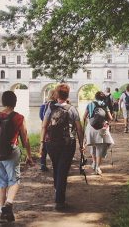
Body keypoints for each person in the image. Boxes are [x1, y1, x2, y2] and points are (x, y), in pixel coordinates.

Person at [0, 91, 34, 223]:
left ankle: (1, 214)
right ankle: (8, 204)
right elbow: (25, 138)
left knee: (1, 184)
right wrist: (29, 155)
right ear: (15, 102)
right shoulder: (18, 117)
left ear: (3, 102)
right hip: (11, 152)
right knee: (14, 181)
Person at [40, 83, 84, 211]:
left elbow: (44, 126)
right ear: (68, 95)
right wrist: (82, 145)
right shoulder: (72, 109)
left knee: (56, 167)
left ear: (57, 95)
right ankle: (59, 201)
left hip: (51, 143)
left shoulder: (50, 108)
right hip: (67, 143)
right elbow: (79, 129)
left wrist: (42, 142)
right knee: (63, 170)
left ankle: (57, 191)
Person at [83, 91, 114, 175]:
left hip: (91, 127)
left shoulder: (90, 104)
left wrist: (90, 121)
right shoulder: (105, 105)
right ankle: (97, 167)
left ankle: (93, 163)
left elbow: (84, 117)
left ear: (95, 97)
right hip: (102, 128)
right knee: (100, 148)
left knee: (93, 146)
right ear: (103, 98)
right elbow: (110, 118)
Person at [38, 89, 57, 171]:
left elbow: (41, 117)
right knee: (53, 146)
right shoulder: (56, 105)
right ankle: (55, 163)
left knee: (44, 147)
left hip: (44, 127)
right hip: (53, 129)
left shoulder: (43, 105)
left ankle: (42, 164)